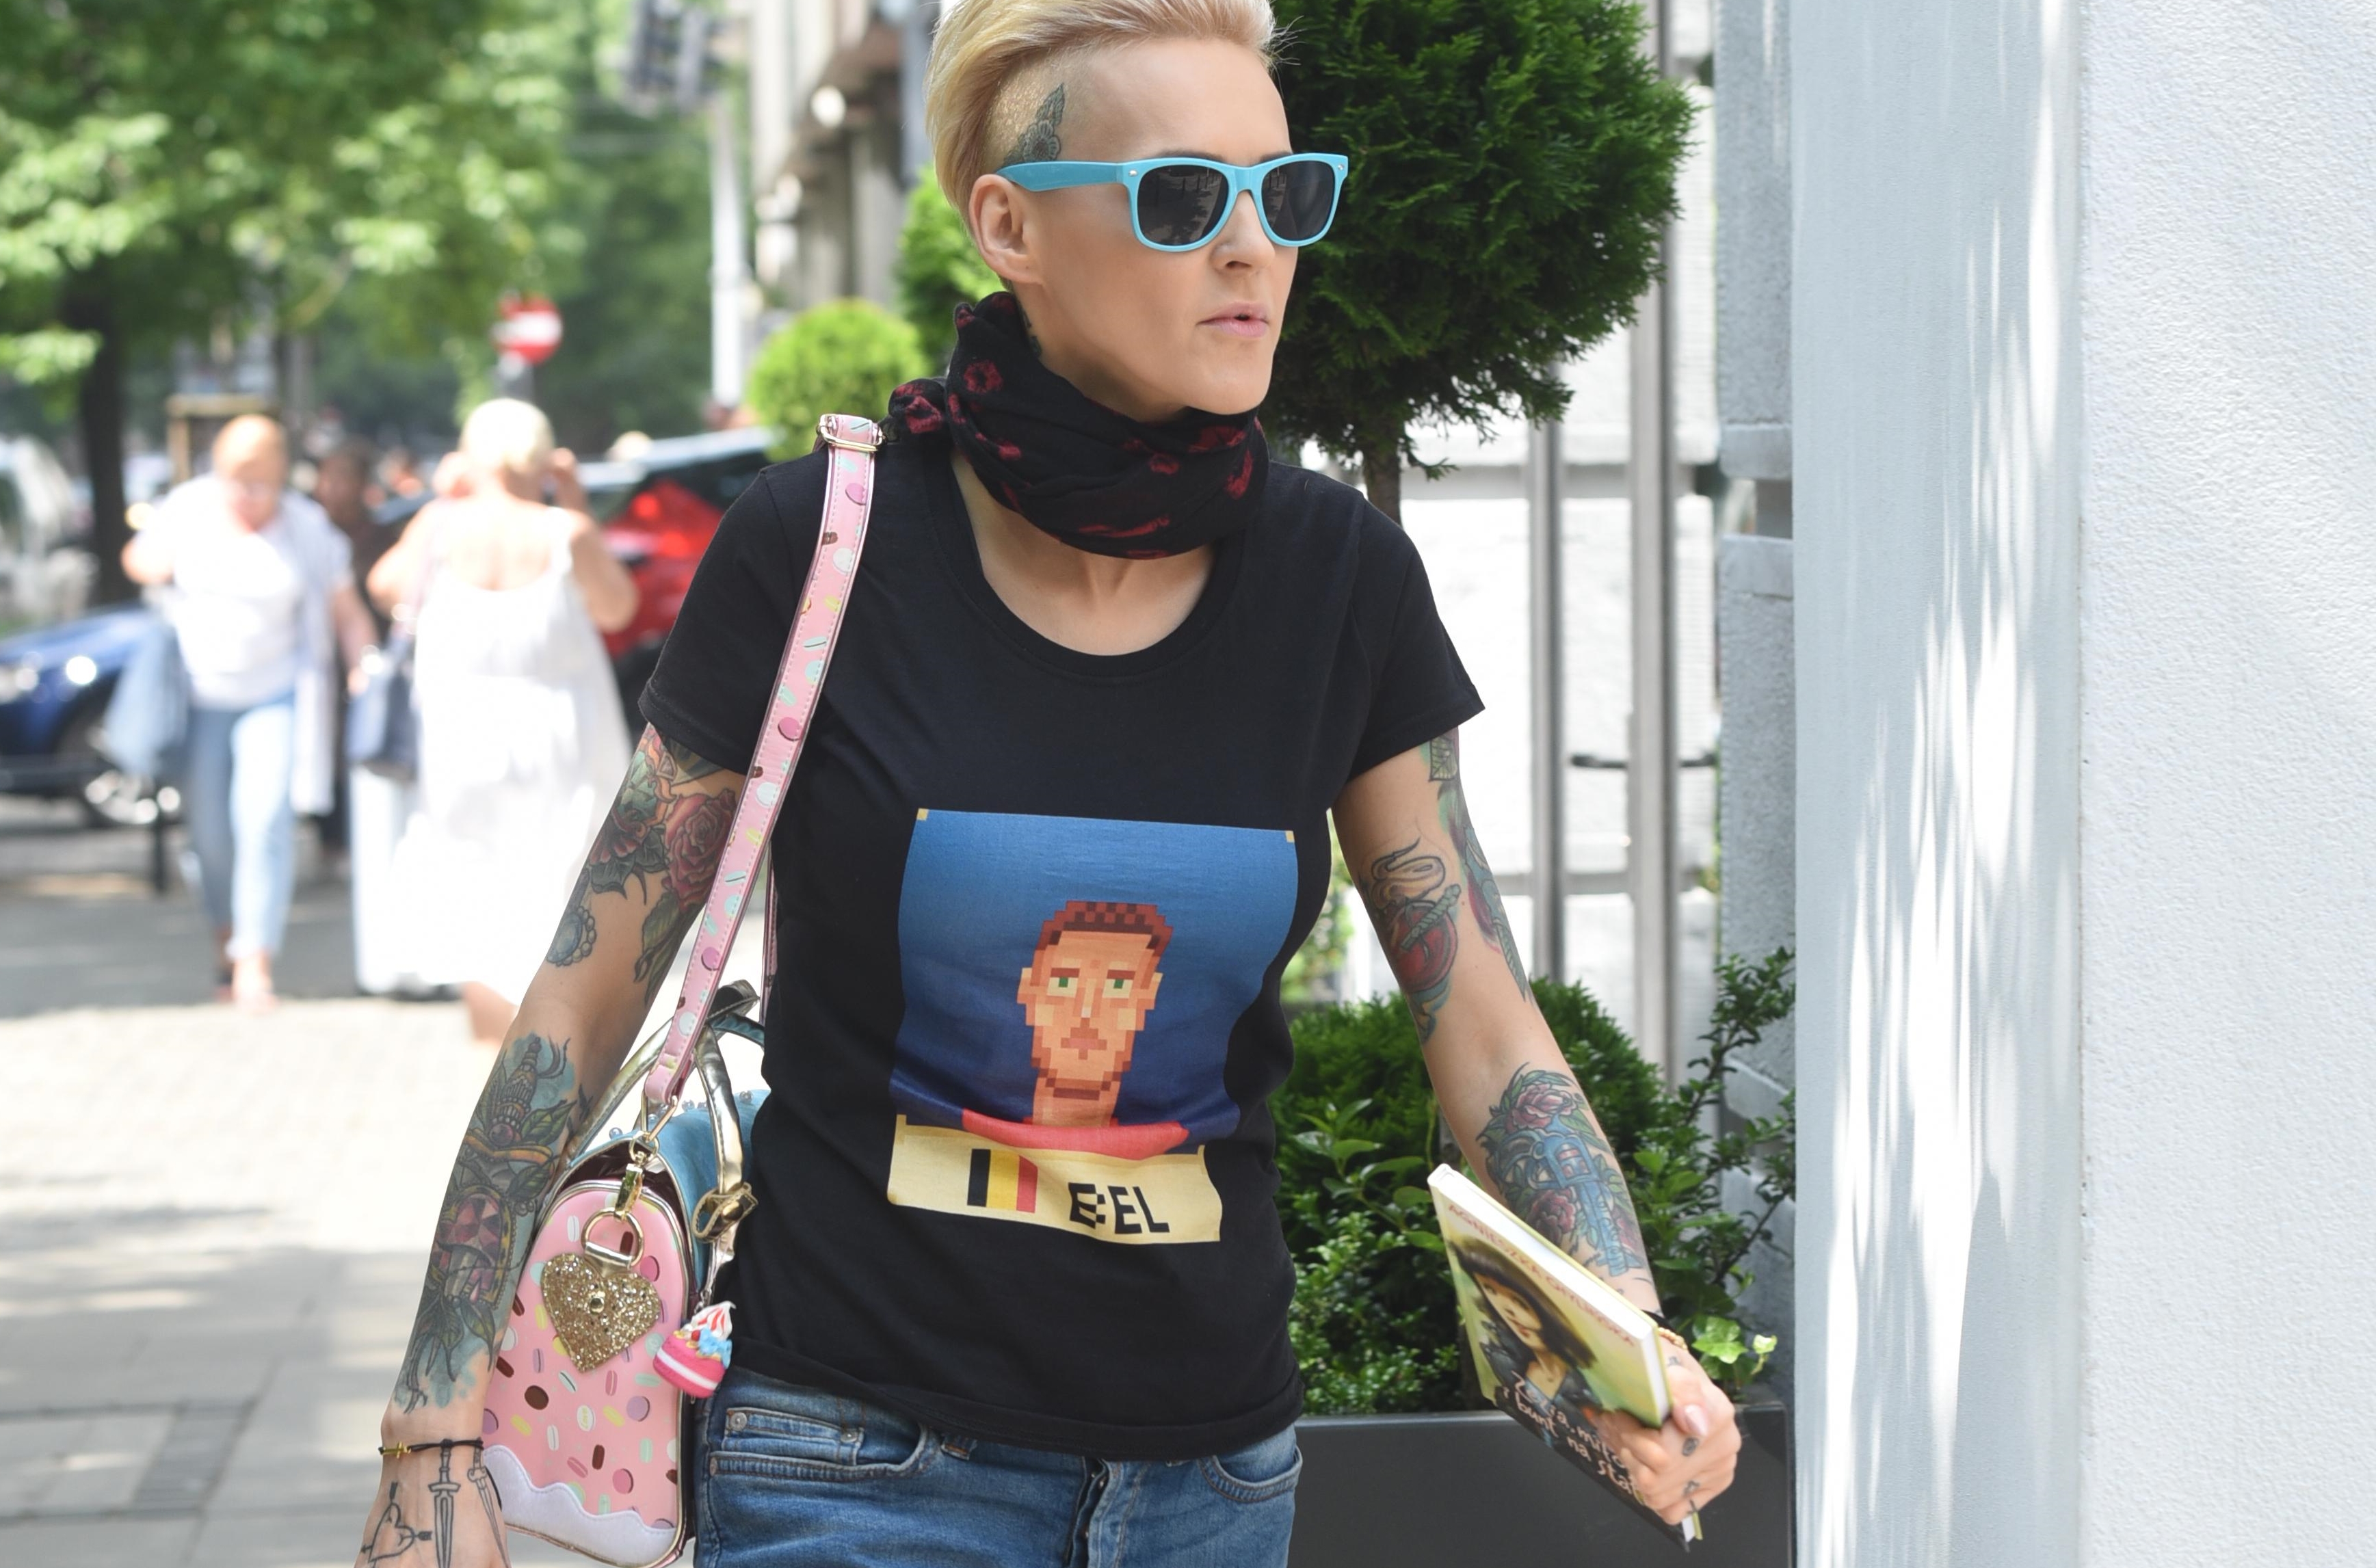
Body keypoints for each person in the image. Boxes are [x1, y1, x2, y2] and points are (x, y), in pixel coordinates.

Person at [354, 3, 1741, 1563]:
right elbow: (584, 993)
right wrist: (432, 1430)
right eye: (1181, 196)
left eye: (1285, 194)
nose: (1251, 248)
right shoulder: (823, 546)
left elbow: (1475, 1007)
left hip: (1212, 1485)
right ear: (1009, 226)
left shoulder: (1336, 578)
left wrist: (1628, 1331)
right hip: (854, 1464)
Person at [366, 399, 635, 1045]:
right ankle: (550, 1038)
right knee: (557, 875)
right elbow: (617, 608)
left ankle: (491, 1042)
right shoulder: (565, 529)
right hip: (558, 733)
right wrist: (575, 498)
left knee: (471, 874)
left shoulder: (439, 525)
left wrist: (444, 495)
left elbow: (385, 585)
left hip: (458, 731)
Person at [122, 415, 378, 1010]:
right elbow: (138, 559)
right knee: (210, 834)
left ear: (281, 470)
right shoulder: (189, 507)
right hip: (199, 697)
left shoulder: (306, 525)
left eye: (260, 476)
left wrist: (364, 666)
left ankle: (255, 958)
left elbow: (347, 612)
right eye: (237, 476)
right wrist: (157, 557)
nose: (248, 489)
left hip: (277, 694)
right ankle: (225, 935)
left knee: (264, 820)